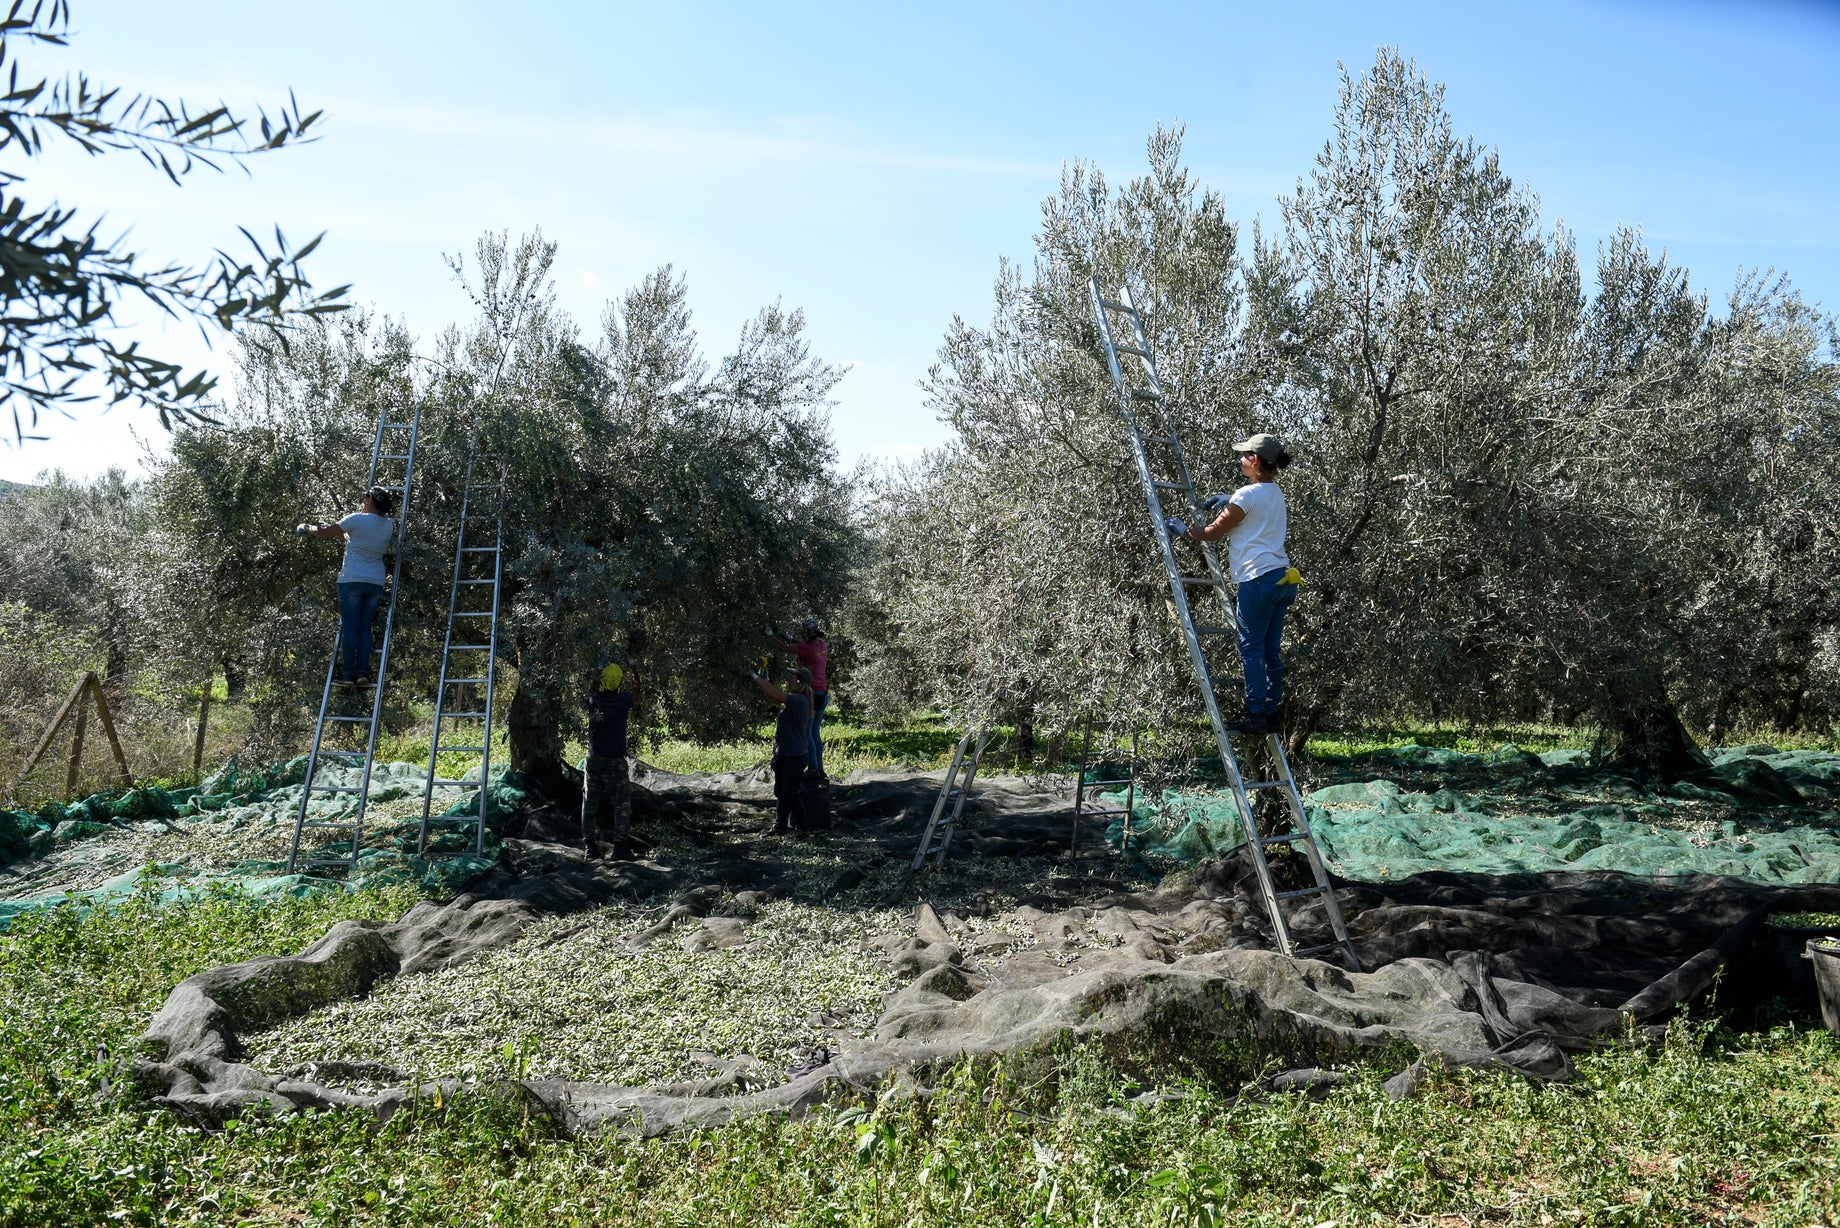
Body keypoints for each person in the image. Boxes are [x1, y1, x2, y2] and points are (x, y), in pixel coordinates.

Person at [1165, 433, 1301, 735]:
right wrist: (1231, 500)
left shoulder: (1246, 496)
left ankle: (1255, 715)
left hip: (1258, 580)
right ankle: (1271, 712)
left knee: (1251, 648)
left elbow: (1213, 532)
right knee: (1270, 650)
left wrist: (1184, 531)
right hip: (1282, 578)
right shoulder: (1273, 491)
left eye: (1244, 456)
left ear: (1255, 461)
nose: (1240, 460)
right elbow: (1255, 508)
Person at [299, 487, 397, 686]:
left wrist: (306, 527)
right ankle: (363, 673)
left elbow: (324, 532)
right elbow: (360, 538)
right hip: (375, 581)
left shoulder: (356, 518)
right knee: (364, 628)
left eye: (364, 498)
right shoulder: (389, 526)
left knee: (351, 628)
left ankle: (347, 675)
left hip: (352, 579)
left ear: (370, 499)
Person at [749, 663, 813, 835]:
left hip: (795, 755)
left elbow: (773, 693)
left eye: (791, 678)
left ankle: (803, 829)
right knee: (781, 792)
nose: (788, 680)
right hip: (785, 753)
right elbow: (774, 697)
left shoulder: (799, 700)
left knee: (790, 793)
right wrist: (766, 680)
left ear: (800, 682)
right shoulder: (793, 699)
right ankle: (780, 827)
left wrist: (755, 677)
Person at [764, 619, 829, 777]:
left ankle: (813, 769)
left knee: (807, 732)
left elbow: (784, 648)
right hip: (823, 693)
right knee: (815, 732)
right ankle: (819, 768)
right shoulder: (821, 643)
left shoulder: (806, 649)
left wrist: (770, 636)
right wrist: (791, 638)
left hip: (812, 694)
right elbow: (802, 645)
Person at [584, 662, 638, 851]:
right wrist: (634, 670)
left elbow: (591, 688)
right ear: (619, 682)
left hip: (594, 759)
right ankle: (620, 846)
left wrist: (597, 670)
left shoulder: (594, 699)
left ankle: (589, 846)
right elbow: (637, 692)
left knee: (590, 801)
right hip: (615, 761)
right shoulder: (623, 700)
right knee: (621, 803)